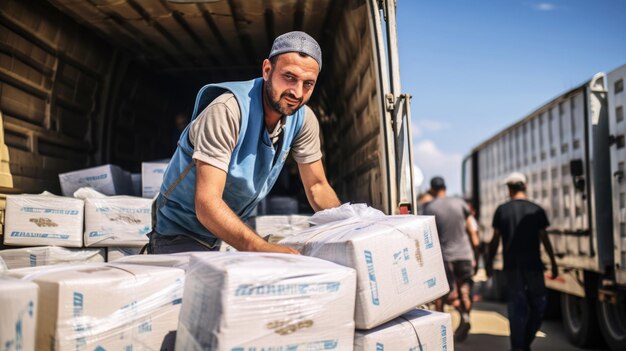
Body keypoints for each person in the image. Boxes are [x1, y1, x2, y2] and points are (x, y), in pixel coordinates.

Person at [148, 31, 340, 254]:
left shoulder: (303, 119)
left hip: (225, 234)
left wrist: (347, 226)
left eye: (308, 84)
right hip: (180, 233)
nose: (297, 92)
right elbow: (207, 203)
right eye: (289, 77)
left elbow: (317, 187)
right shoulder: (227, 111)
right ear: (267, 70)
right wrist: (258, 246)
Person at [486, 172, 558, 351]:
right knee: (539, 306)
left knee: (517, 309)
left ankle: (520, 346)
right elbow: (544, 238)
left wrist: (488, 262)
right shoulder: (536, 209)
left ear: (509, 189)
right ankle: (523, 345)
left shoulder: (502, 210)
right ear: (525, 186)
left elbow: (494, 240)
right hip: (534, 266)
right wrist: (554, 262)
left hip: (512, 268)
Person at [423, 176, 479, 342]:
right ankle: (466, 318)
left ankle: (444, 327)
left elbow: (428, 235)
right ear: (445, 187)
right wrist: (476, 252)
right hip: (465, 254)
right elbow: (472, 229)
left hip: (446, 256)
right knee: (465, 291)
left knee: (445, 294)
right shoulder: (460, 202)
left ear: (432, 189)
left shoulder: (429, 207)